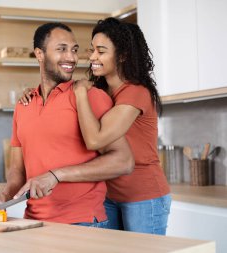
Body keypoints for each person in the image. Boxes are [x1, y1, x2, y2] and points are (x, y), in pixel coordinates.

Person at [19, 18, 171, 235]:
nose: (92, 57)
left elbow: (95, 140)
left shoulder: (136, 92)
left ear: (122, 55)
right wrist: (32, 94)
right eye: (92, 50)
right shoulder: (102, 90)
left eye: (101, 51)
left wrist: (80, 92)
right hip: (110, 194)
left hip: (142, 195)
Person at [0, 22, 134, 227]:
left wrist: (56, 176)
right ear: (39, 54)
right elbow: (18, 170)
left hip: (82, 222)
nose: (71, 57)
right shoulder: (23, 105)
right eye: (61, 49)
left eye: (74, 50)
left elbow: (123, 161)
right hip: (33, 222)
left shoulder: (88, 97)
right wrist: (4, 197)